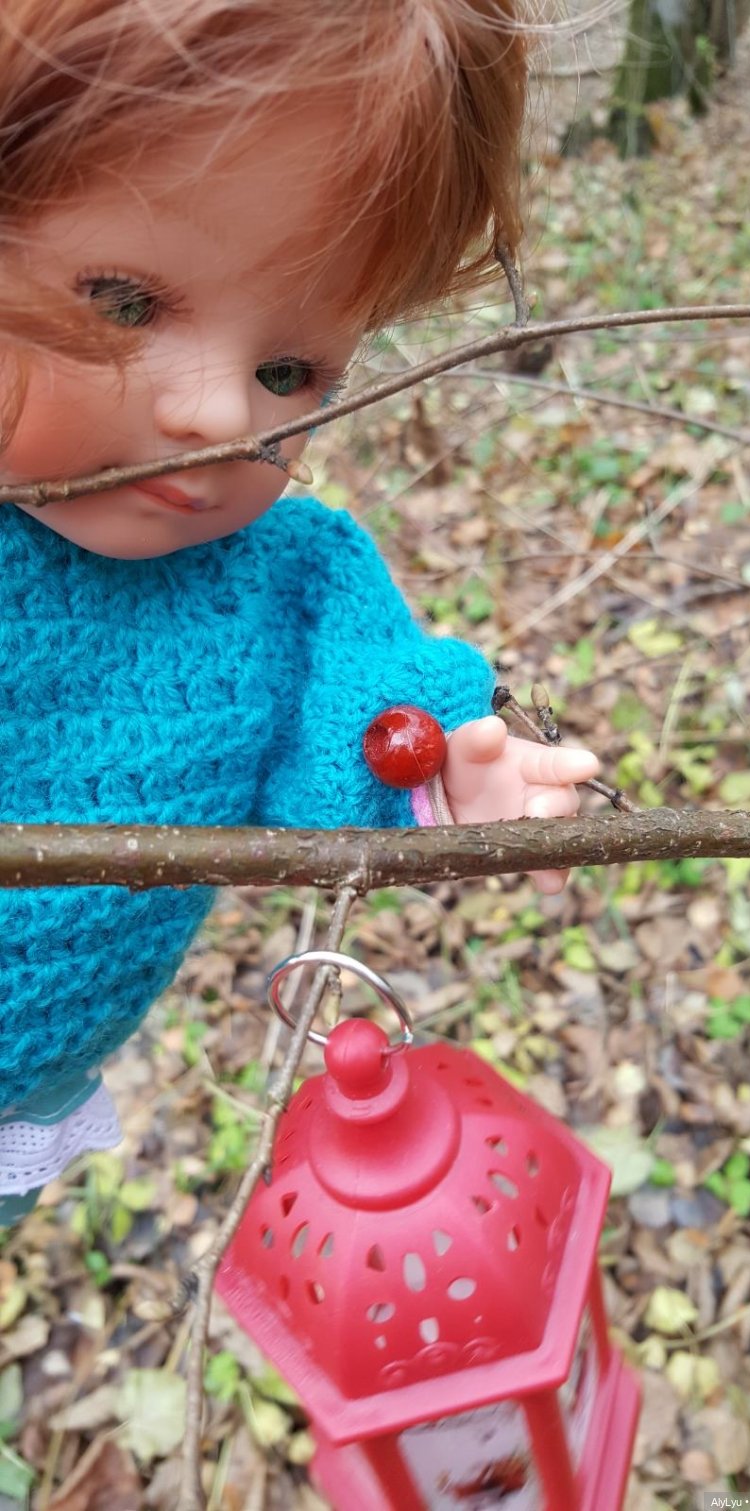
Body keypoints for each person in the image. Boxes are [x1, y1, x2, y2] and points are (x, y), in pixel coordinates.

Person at [0, 0, 598, 1224]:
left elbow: (360, 734)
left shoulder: (289, 576)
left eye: (290, 372)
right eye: (122, 302)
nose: (222, 413)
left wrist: (445, 781)